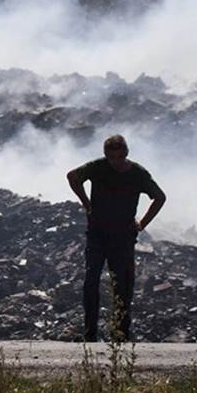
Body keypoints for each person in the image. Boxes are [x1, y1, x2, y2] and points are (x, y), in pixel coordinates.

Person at [66, 134, 166, 342]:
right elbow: (73, 176)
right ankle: (90, 333)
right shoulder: (98, 167)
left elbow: (159, 197)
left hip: (122, 237)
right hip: (98, 234)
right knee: (91, 281)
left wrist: (142, 223)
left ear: (126, 154)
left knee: (123, 286)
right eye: (112, 157)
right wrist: (86, 203)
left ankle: (120, 334)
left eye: (120, 157)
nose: (116, 161)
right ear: (106, 156)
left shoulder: (137, 174)